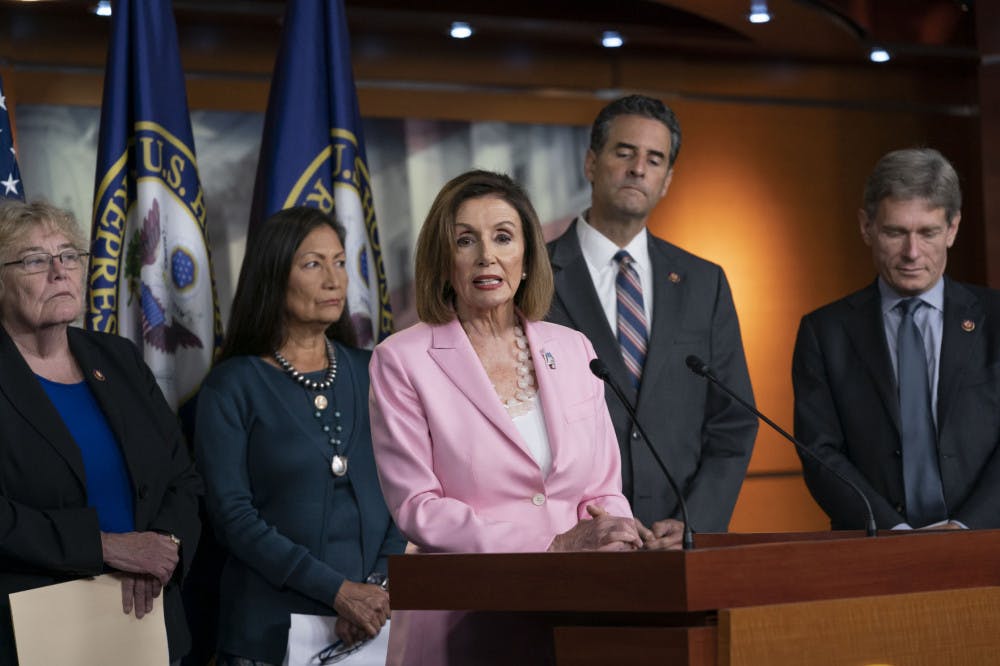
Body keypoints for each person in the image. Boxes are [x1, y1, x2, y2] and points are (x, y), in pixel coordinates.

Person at [369, 170, 641, 665]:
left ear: (527, 255)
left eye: (502, 237)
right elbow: (418, 506)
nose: (485, 256)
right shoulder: (401, 360)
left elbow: (604, 488)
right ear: (442, 258)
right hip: (465, 620)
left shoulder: (574, 348)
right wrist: (550, 545)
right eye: (465, 240)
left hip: (576, 616)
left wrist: (617, 539)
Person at [195, 207, 405, 665]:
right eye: (313, 264)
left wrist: (376, 591)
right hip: (267, 636)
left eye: (340, 261)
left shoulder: (375, 371)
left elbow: (404, 491)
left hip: (373, 626)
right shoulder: (231, 387)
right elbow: (233, 518)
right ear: (273, 276)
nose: (334, 280)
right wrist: (338, 592)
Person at [546, 95, 758, 535]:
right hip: (571, 540)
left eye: (654, 159)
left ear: (666, 181)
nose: (638, 168)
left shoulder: (705, 283)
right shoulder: (535, 279)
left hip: (675, 543)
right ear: (590, 163)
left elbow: (733, 421)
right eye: (624, 152)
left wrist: (693, 524)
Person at [0, 200, 200, 664]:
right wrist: (105, 547)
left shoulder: (119, 358)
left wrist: (163, 546)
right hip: (33, 634)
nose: (59, 272)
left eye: (69, 255)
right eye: (33, 260)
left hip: (147, 626)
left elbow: (182, 479)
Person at [792, 147, 1000, 531]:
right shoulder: (825, 332)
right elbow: (820, 453)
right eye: (895, 232)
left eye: (928, 232)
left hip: (988, 545)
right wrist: (892, 533)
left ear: (952, 229)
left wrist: (966, 527)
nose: (912, 253)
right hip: (876, 551)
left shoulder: (995, 319)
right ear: (866, 227)